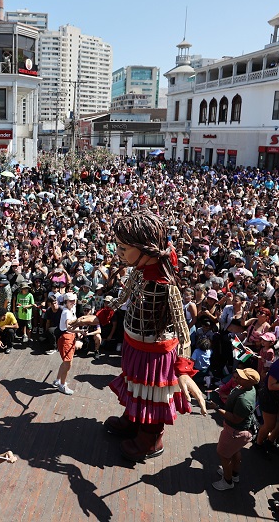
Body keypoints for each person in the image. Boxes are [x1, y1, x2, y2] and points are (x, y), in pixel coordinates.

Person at [103, 210, 194, 462]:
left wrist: (184, 371)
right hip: (134, 343)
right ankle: (133, 420)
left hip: (156, 352)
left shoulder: (167, 287)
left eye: (123, 247)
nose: (118, 252)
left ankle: (151, 437)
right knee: (135, 386)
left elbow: (184, 332)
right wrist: (101, 314)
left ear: (146, 249)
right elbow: (121, 299)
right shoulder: (137, 273)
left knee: (153, 394)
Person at [209, 368, 260, 490]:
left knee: (224, 455)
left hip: (235, 431)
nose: (236, 377)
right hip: (238, 431)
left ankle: (227, 481)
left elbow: (235, 419)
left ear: (249, 381)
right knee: (235, 452)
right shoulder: (246, 387)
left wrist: (216, 408)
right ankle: (234, 474)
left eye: (241, 377)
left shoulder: (244, 400)